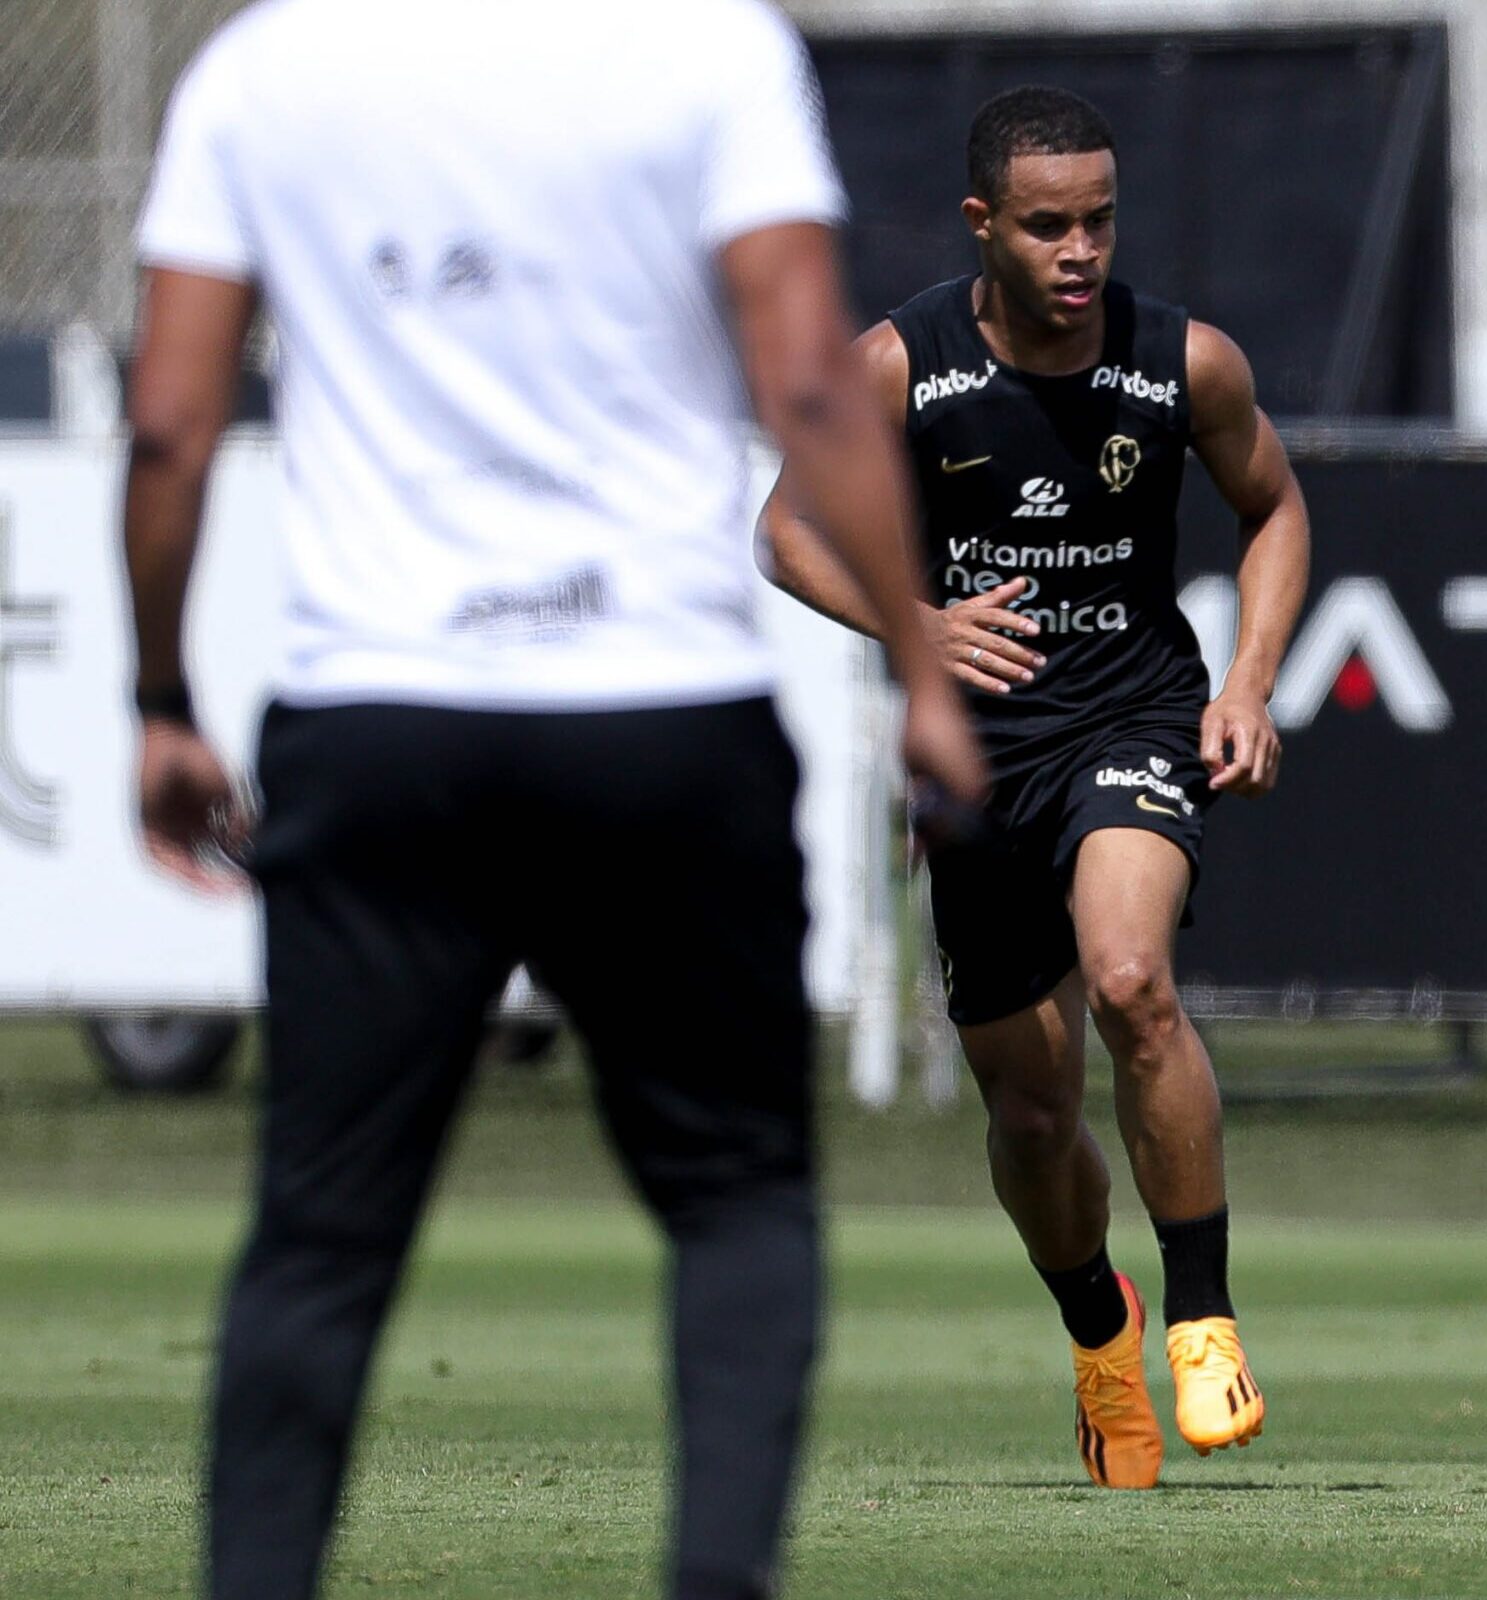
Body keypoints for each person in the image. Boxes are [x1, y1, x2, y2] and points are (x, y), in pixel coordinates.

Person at [121, 2, 984, 1595]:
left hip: (378, 719)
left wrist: (163, 702)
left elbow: (171, 423)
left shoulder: (262, 68)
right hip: (656, 716)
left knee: (319, 1238)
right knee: (735, 1204)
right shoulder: (711, 50)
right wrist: (928, 682)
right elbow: (807, 380)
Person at [761, 85, 1310, 1491]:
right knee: (1029, 1107)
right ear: (983, 224)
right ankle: (1099, 1329)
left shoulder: (1183, 360)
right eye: (1049, 225)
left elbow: (1276, 511)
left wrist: (1243, 685)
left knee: (1131, 979)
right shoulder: (902, 365)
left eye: (1101, 221)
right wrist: (910, 624)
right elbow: (781, 529)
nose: (1081, 250)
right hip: (976, 759)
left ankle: (1201, 1313)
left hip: (1131, 715)